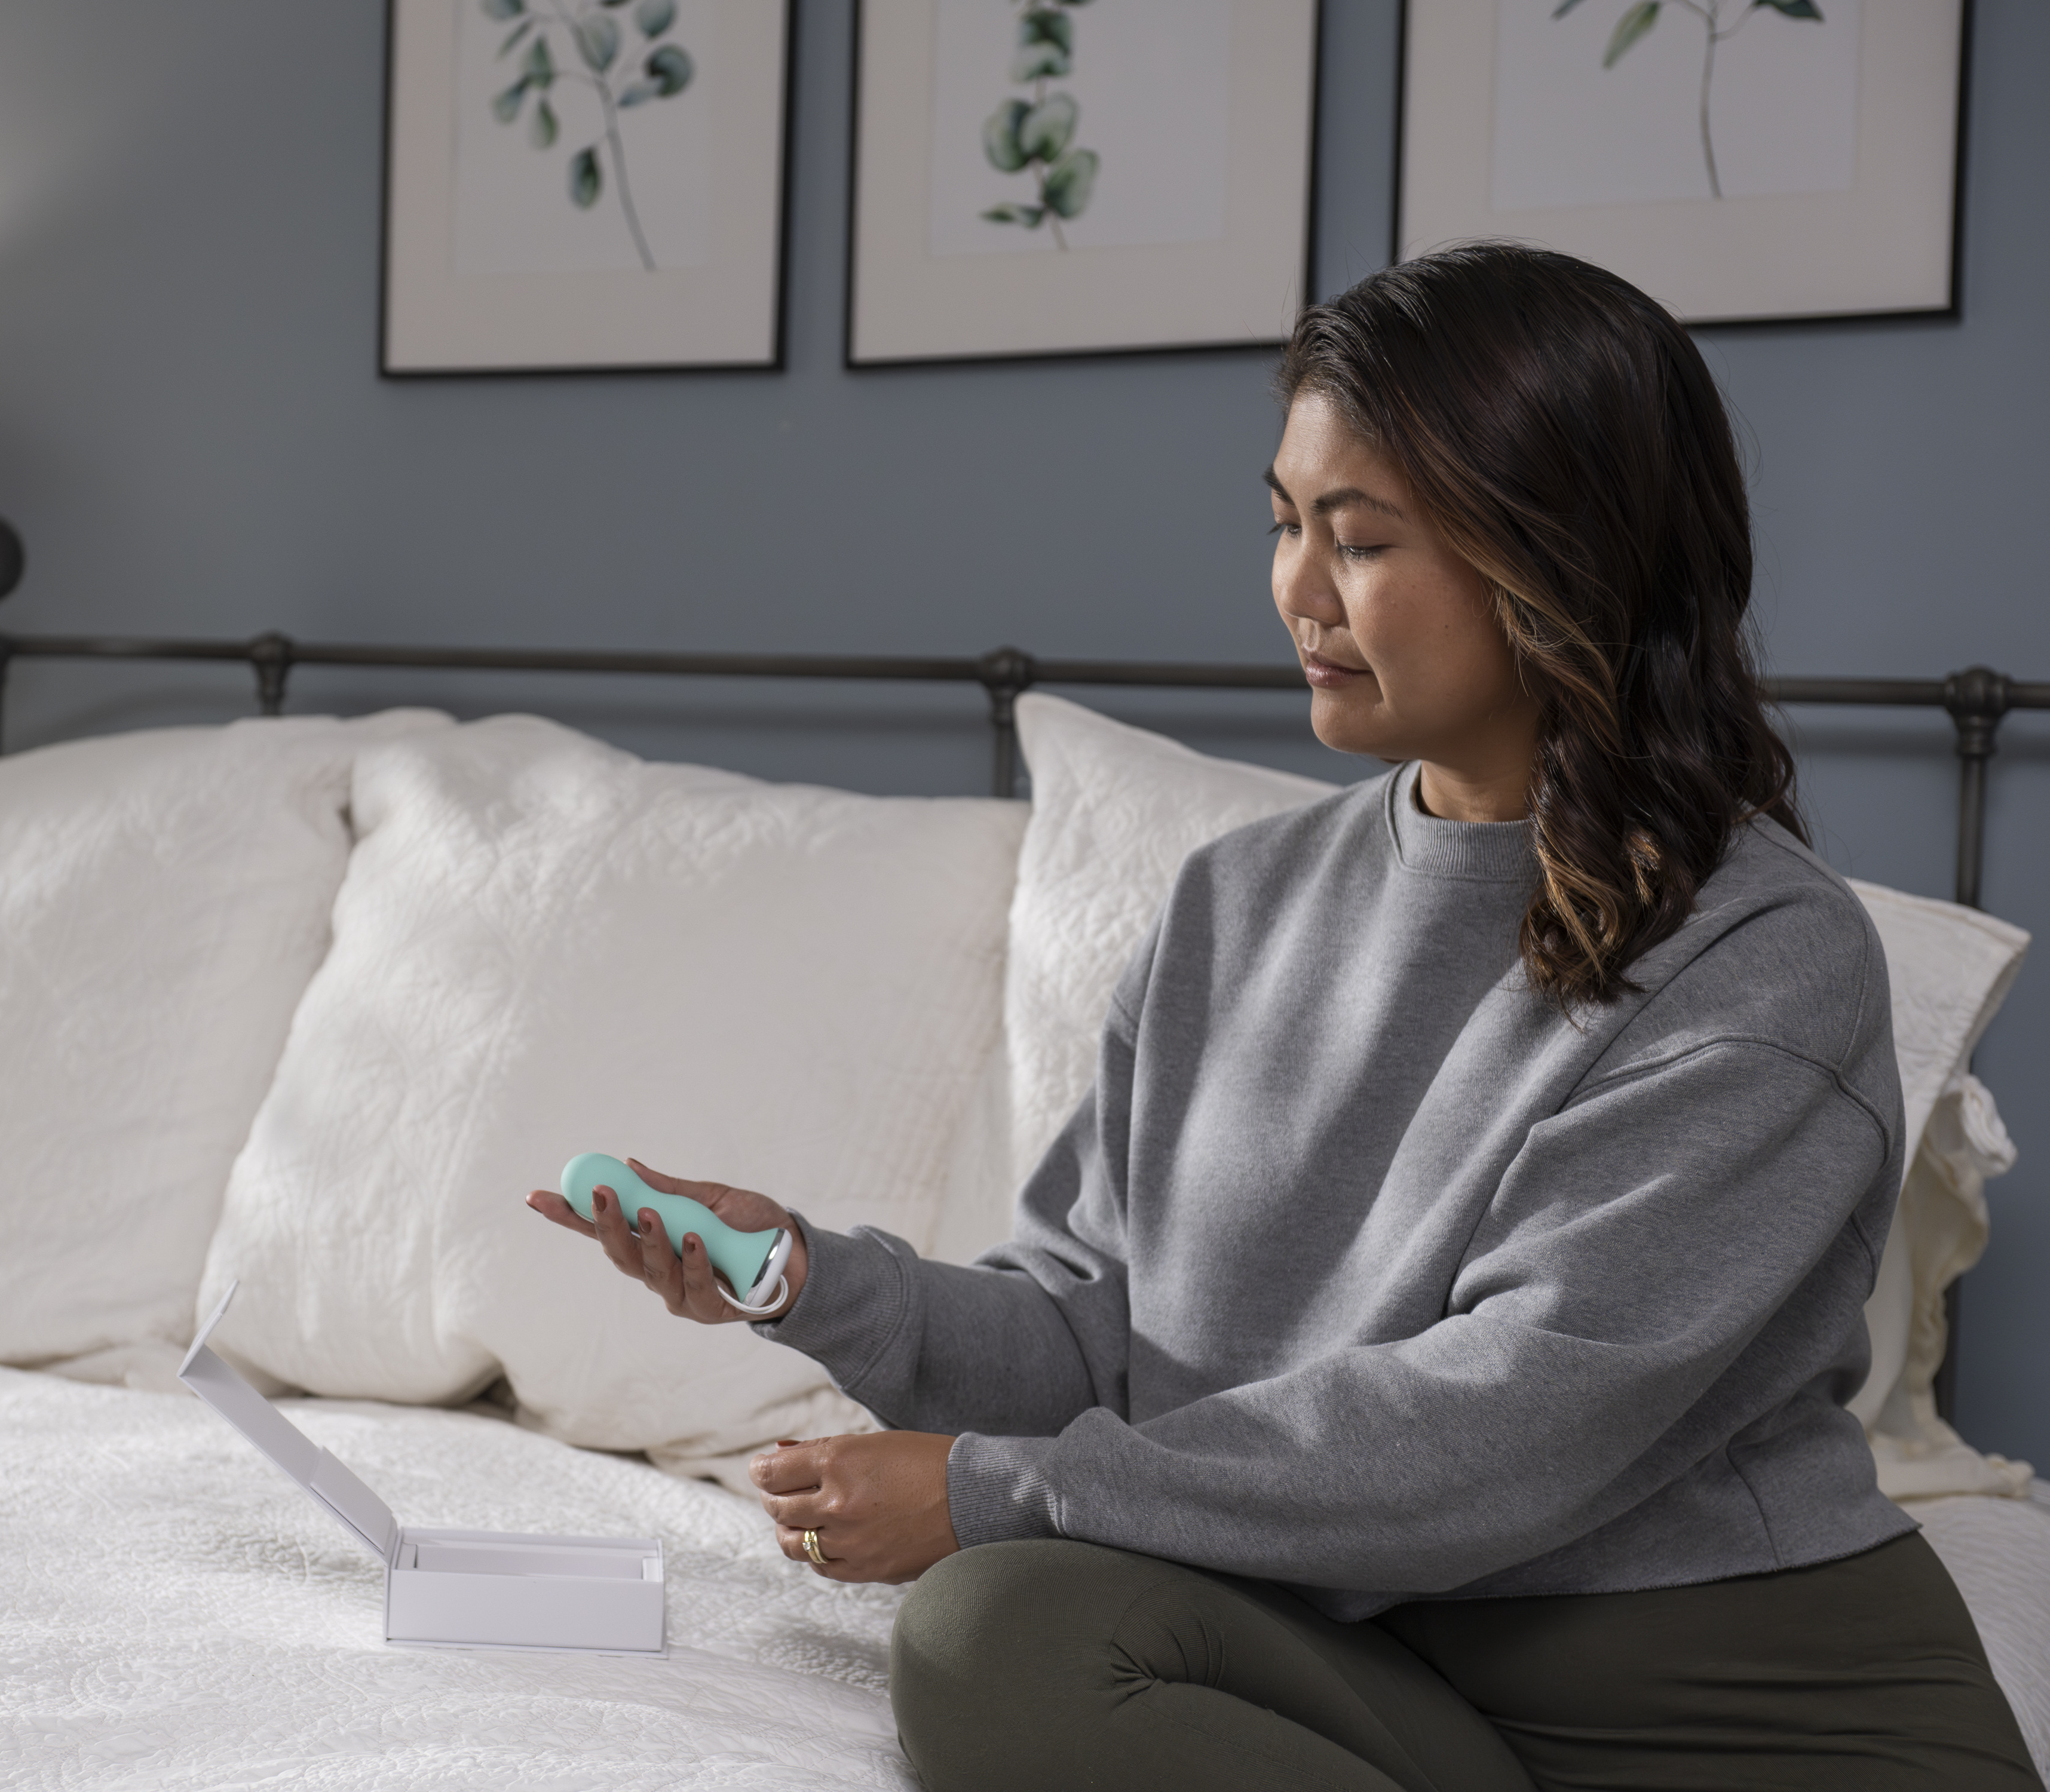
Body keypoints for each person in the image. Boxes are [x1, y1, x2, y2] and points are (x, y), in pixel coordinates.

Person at [526, 243, 2040, 1791]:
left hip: (1718, 1715)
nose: (1298, 593)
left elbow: (1498, 1433)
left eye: (1360, 540)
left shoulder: (1765, 957)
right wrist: (801, 1278)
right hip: (1361, 1665)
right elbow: (1102, 1339)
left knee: (1000, 1590)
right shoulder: (1233, 906)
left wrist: (997, 1492)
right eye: (1284, 524)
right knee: (998, 1634)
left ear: (1561, 563)